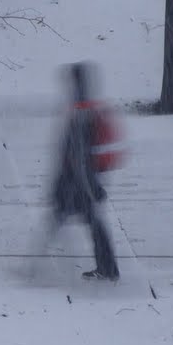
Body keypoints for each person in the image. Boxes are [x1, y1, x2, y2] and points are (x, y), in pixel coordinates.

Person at [48, 61, 121, 280]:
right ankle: (107, 268)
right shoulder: (86, 105)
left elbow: (77, 151)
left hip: (78, 177)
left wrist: (87, 185)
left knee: (80, 219)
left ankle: (32, 268)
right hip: (83, 175)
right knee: (86, 220)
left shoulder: (81, 111)